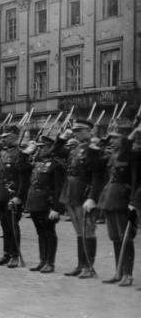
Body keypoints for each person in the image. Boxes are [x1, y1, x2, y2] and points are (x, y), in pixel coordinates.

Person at [52, 119, 104, 278]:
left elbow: (97, 176)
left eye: (79, 130)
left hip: (84, 193)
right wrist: (62, 137)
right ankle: (81, 265)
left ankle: (89, 267)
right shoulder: (76, 148)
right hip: (71, 191)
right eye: (74, 131)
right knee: (79, 231)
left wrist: (93, 197)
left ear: (89, 131)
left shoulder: (94, 149)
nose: (75, 133)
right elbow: (55, 151)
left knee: (87, 230)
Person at [98, 126, 137, 286]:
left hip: (123, 199)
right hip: (109, 198)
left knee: (125, 238)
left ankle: (127, 274)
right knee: (115, 238)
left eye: (115, 138)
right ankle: (118, 272)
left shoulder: (131, 155)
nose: (111, 141)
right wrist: (98, 144)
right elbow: (94, 162)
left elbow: (135, 179)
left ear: (125, 138)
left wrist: (133, 202)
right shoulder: (113, 155)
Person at [23, 135, 66, 274]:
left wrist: (56, 208)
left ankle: (50, 262)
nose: (40, 149)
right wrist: (28, 152)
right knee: (40, 232)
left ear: (51, 148)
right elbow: (20, 166)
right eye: (39, 147)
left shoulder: (57, 165)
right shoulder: (38, 164)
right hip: (35, 202)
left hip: (47, 204)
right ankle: (42, 261)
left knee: (49, 232)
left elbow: (60, 188)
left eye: (43, 147)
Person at [0, 125, 30, 268]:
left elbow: (24, 179)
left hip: (12, 195)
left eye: (6, 137)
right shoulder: (3, 153)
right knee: (4, 226)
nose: (3, 139)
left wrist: (19, 196)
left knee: (12, 225)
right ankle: (6, 254)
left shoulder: (20, 154)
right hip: (1, 194)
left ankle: (14, 255)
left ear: (15, 137)